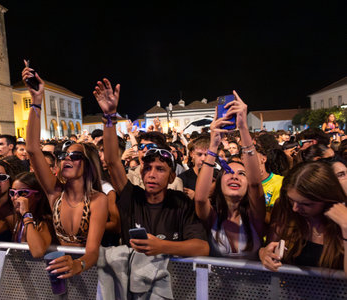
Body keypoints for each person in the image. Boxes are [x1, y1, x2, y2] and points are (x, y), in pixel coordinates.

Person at [94, 77, 209, 257]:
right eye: (147, 169)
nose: (151, 175)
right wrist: (110, 117)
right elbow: (112, 162)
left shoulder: (181, 203)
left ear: (172, 177)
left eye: (160, 169)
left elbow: (202, 247)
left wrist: (162, 246)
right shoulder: (132, 198)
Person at [23, 64, 107, 278]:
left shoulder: (98, 200)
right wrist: (36, 101)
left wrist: (77, 265)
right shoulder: (54, 193)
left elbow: (92, 251)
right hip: (59, 269)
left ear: (88, 165)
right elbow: (32, 148)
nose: (66, 158)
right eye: (63, 155)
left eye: (75, 156)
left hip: (88, 271)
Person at [194, 91, 265, 259]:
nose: (234, 176)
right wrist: (213, 145)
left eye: (242, 174)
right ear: (219, 182)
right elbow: (200, 199)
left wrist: (243, 128)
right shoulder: (212, 217)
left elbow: (256, 184)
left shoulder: (254, 216)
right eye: (228, 172)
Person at [259, 161, 347, 274]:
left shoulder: (342, 219)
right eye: (292, 200)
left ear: (327, 199)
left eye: (306, 204)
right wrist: (263, 253)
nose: (295, 208)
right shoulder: (285, 209)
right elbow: (269, 248)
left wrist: (345, 226)